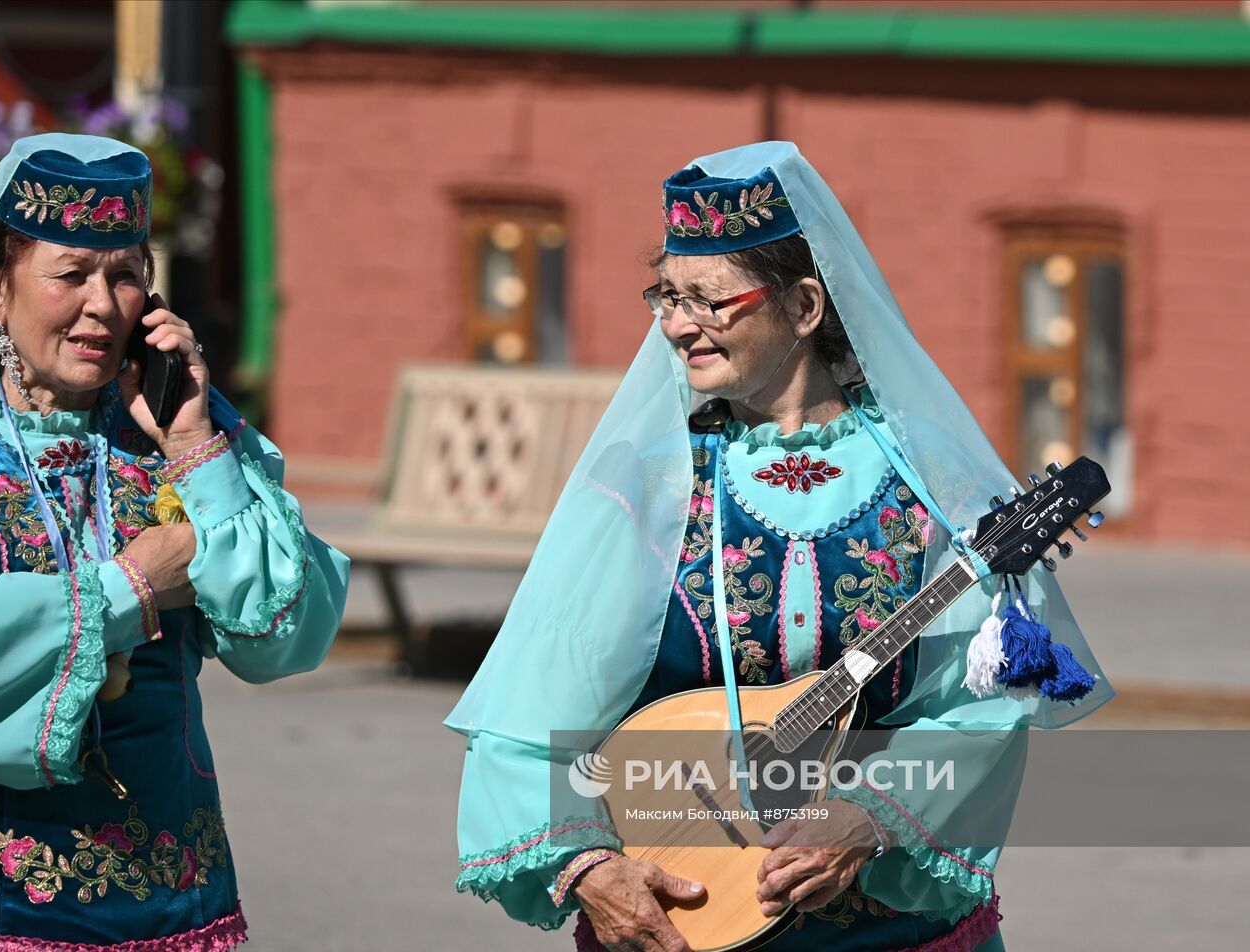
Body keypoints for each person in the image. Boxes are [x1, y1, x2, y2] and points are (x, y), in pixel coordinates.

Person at [446, 142, 1112, 951]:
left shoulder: (931, 484)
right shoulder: (648, 490)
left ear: (803, 307)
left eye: (709, 300)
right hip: (688, 920)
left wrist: (870, 816)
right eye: (666, 295)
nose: (676, 323)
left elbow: (986, 701)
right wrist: (591, 867)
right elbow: (531, 710)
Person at [0, 134, 349, 951]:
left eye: (124, 275)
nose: (103, 304)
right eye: (71, 274)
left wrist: (195, 443)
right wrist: (133, 585)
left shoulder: (186, 448)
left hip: (166, 898)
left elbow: (286, 639)